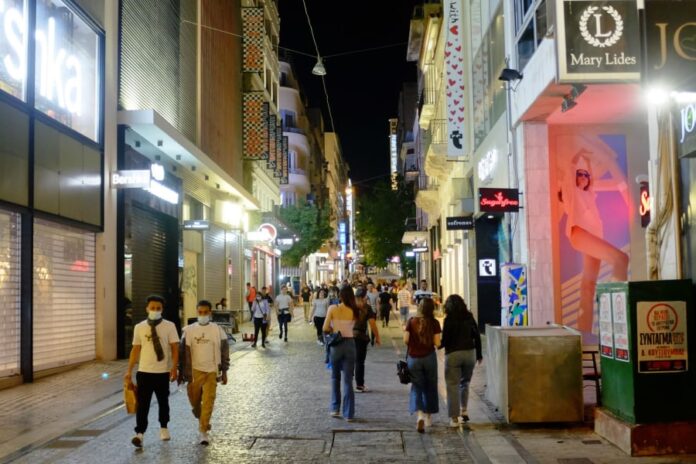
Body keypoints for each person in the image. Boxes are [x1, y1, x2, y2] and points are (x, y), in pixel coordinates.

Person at [557, 139, 630, 333]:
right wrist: (577, 155)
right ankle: (617, 315)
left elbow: (591, 181)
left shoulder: (589, 194)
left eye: (585, 175)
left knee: (588, 287)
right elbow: (569, 171)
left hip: (591, 236)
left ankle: (584, 332)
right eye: (579, 174)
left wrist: (588, 163)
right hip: (579, 233)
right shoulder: (571, 193)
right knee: (621, 259)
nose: (583, 177)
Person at [125, 295, 180, 448]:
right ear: (147, 309)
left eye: (158, 308)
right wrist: (129, 370)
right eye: (152, 308)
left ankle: (164, 427)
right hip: (144, 372)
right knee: (143, 404)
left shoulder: (169, 326)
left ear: (162, 309)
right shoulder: (139, 327)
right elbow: (135, 349)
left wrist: (174, 368)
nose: (155, 310)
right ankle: (140, 433)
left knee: (163, 402)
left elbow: (175, 348)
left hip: (162, 372)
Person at [179, 300, 230, 445]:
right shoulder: (188, 331)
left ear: (210, 313)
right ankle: (201, 417)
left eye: (205, 312)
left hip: (212, 371)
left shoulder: (218, 330)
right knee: (195, 401)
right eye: (200, 312)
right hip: (194, 371)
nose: (203, 315)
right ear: (197, 312)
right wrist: (181, 372)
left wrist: (224, 371)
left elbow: (225, 351)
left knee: (208, 400)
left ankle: (203, 431)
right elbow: (182, 353)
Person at [440, 294, 482, 426]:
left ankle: (454, 418)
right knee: (465, 383)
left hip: (453, 354)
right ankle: (464, 410)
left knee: (452, 385)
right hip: (469, 354)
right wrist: (479, 354)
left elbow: (444, 340)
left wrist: (437, 345)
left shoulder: (448, 320)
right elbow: (477, 335)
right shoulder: (469, 317)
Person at [404, 298, 441, 433]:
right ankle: (428, 417)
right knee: (430, 386)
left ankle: (419, 415)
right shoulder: (434, 323)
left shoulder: (411, 321)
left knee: (417, 386)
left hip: (414, 358)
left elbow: (406, 340)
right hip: (429, 357)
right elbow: (437, 343)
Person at [323, 286, 358, 421]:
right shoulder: (354, 310)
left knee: (335, 377)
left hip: (336, 345)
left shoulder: (333, 308)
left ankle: (335, 408)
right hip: (350, 344)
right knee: (348, 380)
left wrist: (334, 328)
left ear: (340, 296)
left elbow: (325, 328)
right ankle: (349, 414)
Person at [353, 286, 381, 392]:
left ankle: (347, 384)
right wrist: (377, 337)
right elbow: (372, 324)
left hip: (348, 336)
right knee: (359, 361)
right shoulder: (366, 308)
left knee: (350, 361)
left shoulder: (350, 306)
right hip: (360, 337)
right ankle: (359, 385)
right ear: (364, 297)